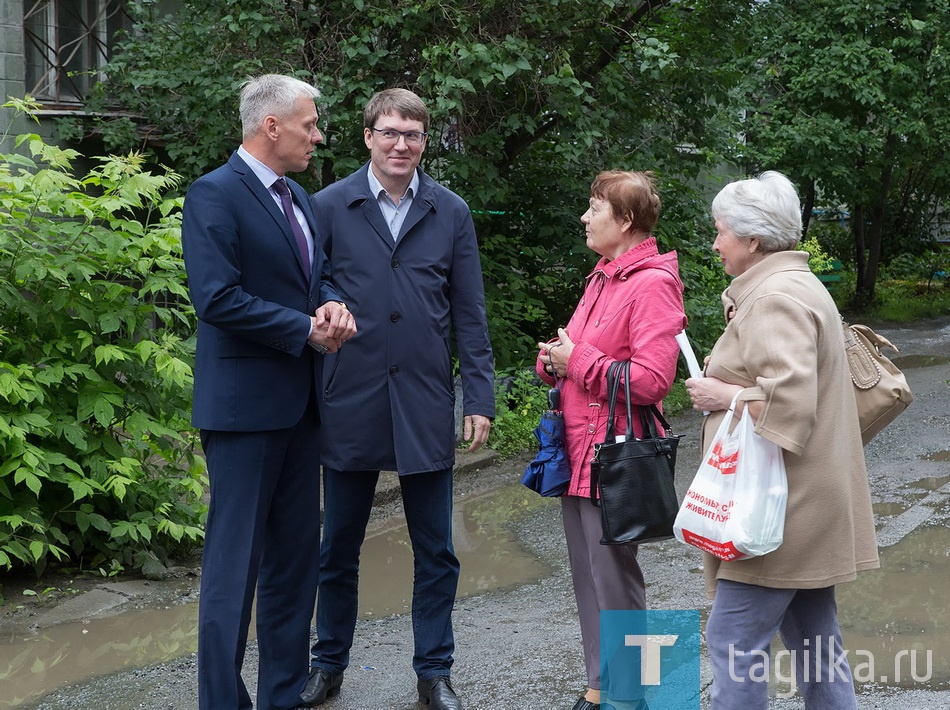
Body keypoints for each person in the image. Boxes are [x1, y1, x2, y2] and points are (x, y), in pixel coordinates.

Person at [300, 88, 495, 710]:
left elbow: (469, 310)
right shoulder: (330, 204)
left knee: (436, 549)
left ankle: (434, 672)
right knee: (338, 547)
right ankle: (327, 665)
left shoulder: (449, 210)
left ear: (424, 141)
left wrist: (478, 396)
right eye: (390, 133)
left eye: (412, 135)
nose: (401, 145)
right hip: (349, 395)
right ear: (367, 137)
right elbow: (312, 281)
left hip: (422, 398)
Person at [181, 74, 356, 710]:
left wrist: (333, 304)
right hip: (243, 411)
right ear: (271, 126)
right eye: (309, 124)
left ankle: (283, 695)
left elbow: (317, 276)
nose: (317, 135)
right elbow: (216, 297)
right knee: (234, 570)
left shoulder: (300, 199)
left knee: (293, 565)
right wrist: (305, 329)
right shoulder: (214, 195)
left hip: (302, 405)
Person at [684, 171, 880, 709]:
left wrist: (721, 394)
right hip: (802, 505)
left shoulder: (773, 296)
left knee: (733, 643)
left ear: (752, 240)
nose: (715, 243)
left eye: (721, 231)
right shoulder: (797, 284)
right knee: (817, 647)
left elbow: (790, 398)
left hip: (778, 509)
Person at [536, 171, 687, 710]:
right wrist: (554, 359)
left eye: (594, 207)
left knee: (616, 580)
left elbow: (650, 380)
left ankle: (631, 694)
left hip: (614, 454)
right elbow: (576, 348)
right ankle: (600, 687)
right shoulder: (602, 276)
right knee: (588, 579)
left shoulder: (652, 283)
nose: (585, 216)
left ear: (624, 221)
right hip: (579, 450)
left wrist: (574, 359)